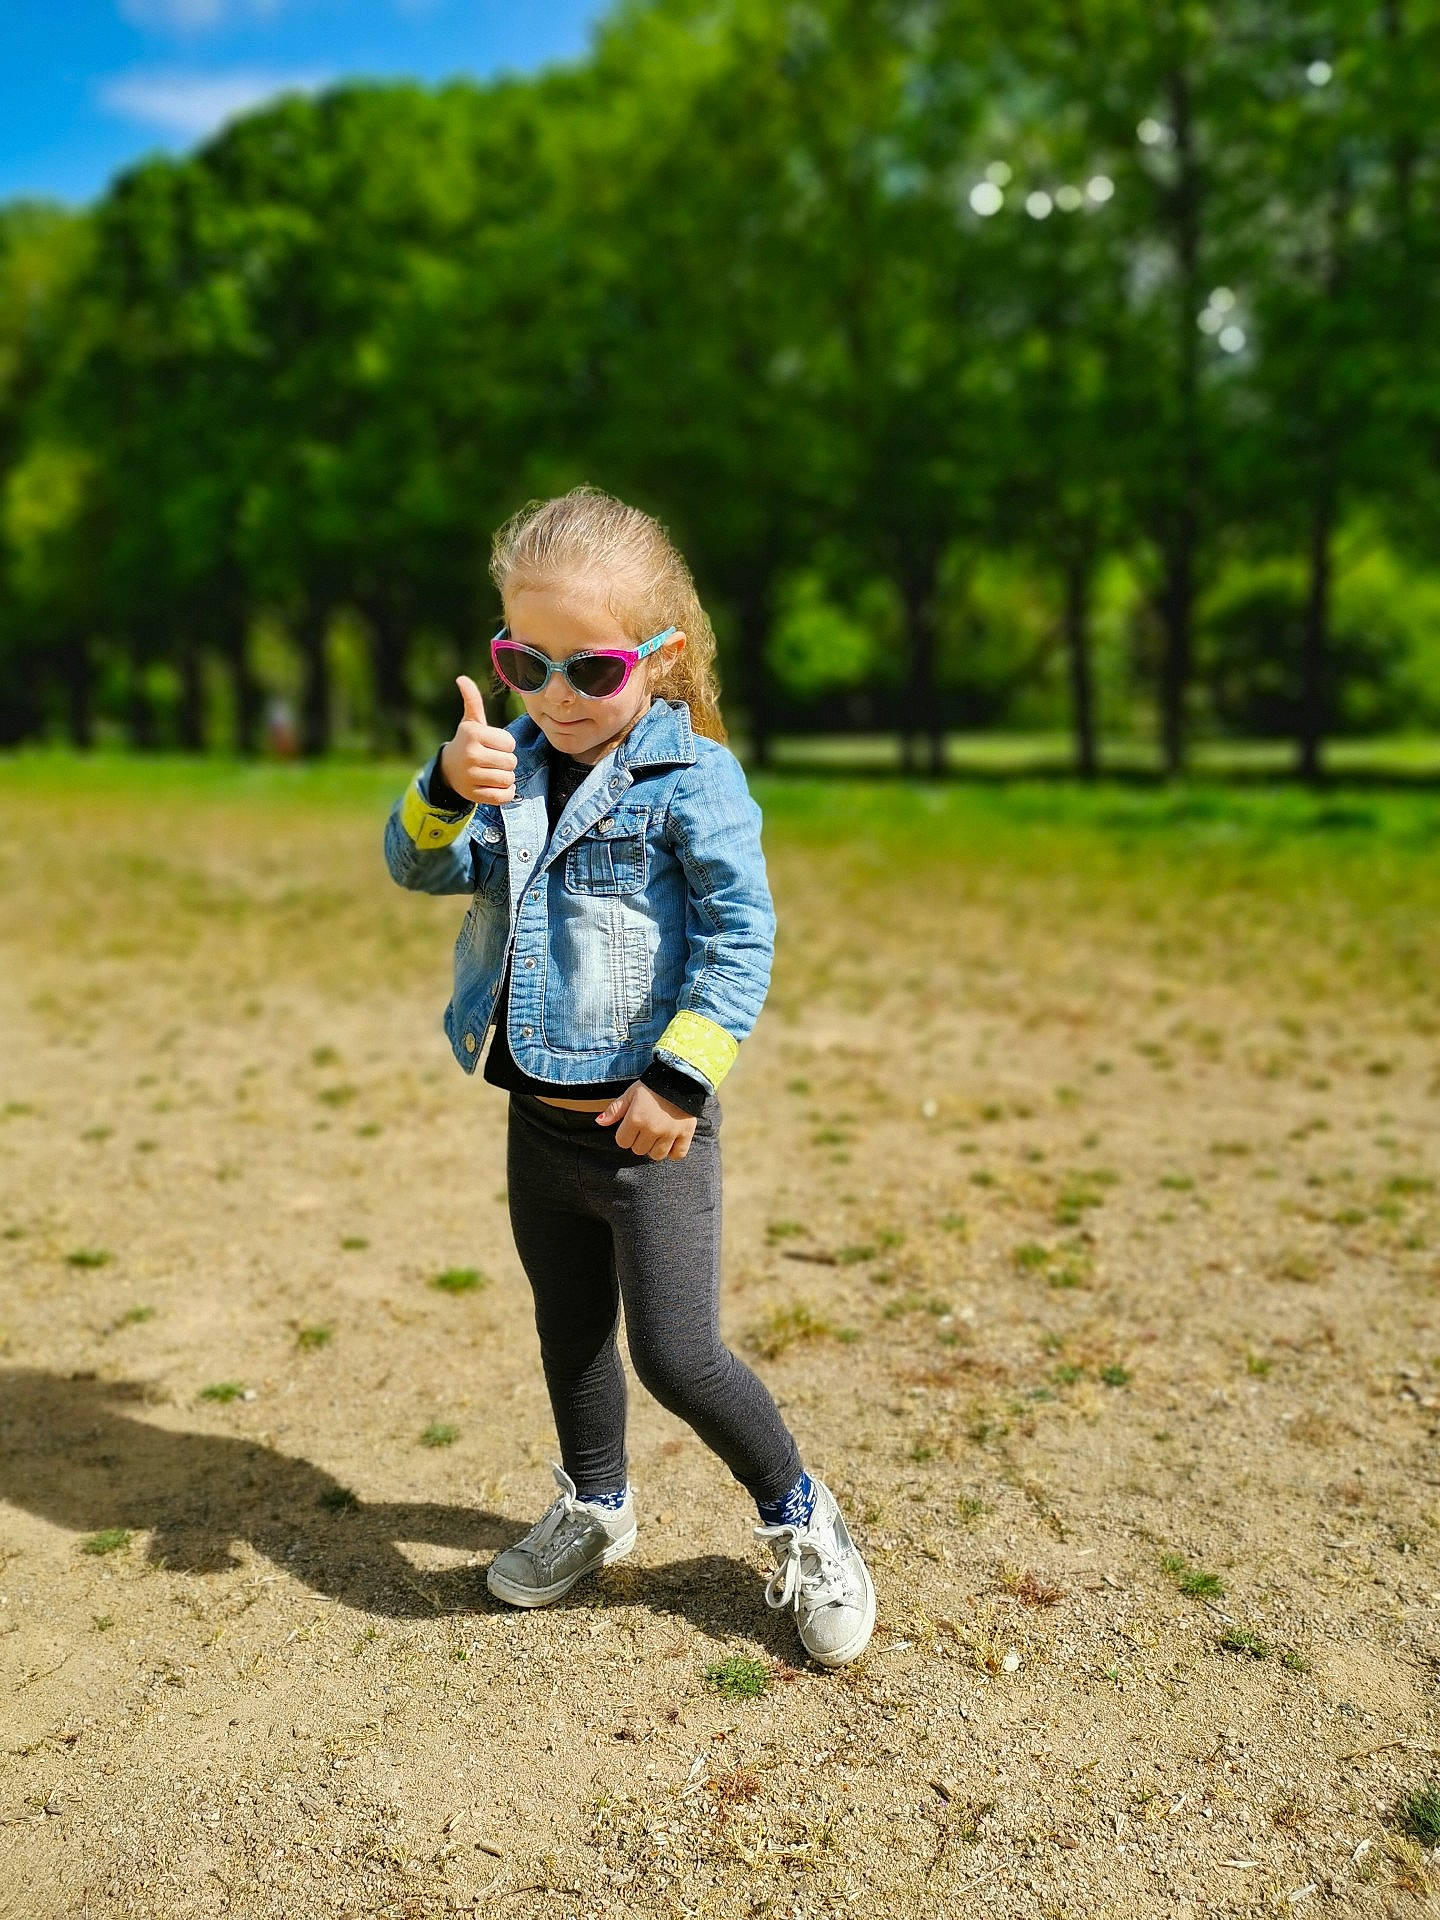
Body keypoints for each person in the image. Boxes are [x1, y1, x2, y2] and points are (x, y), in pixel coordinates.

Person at [382, 485, 875, 1668]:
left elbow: (739, 941)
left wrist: (681, 1084)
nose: (555, 695)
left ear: (659, 657)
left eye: (590, 670)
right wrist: (448, 785)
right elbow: (412, 868)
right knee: (569, 1327)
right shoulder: (508, 764)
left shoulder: (691, 781)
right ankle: (596, 1505)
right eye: (523, 660)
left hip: (648, 1127)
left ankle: (804, 1517)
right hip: (537, 1122)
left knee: (677, 1353)